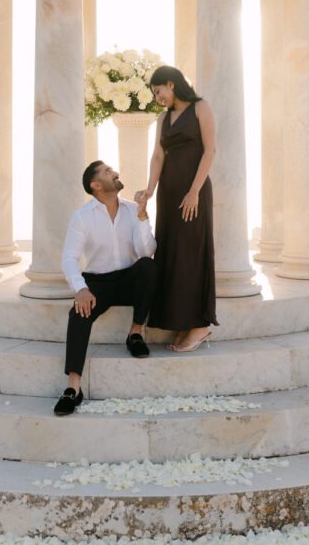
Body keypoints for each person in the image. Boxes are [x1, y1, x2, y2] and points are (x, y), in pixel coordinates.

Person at [53, 160, 158, 416]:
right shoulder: (82, 217)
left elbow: (147, 252)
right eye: (108, 172)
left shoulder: (134, 210)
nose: (116, 173)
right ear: (96, 185)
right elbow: (69, 258)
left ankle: (135, 333)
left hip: (128, 278)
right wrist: (80, 288)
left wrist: (143, 216)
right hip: (97, 282)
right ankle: (73, 387)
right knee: (78, 314)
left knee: (147, 266)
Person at [135, 65, 217, 352]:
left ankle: (200, 325)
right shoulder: (163, 118)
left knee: (192, 253)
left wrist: (194, 191)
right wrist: (150, 189)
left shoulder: (200, 107)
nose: (157, 96)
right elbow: (158, 155)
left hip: (192, 192)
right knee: (172, 253)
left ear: (171, 83)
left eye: (159, 90)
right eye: (155, 93)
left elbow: (210, 151)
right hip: (168, 194)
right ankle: (182, 322)